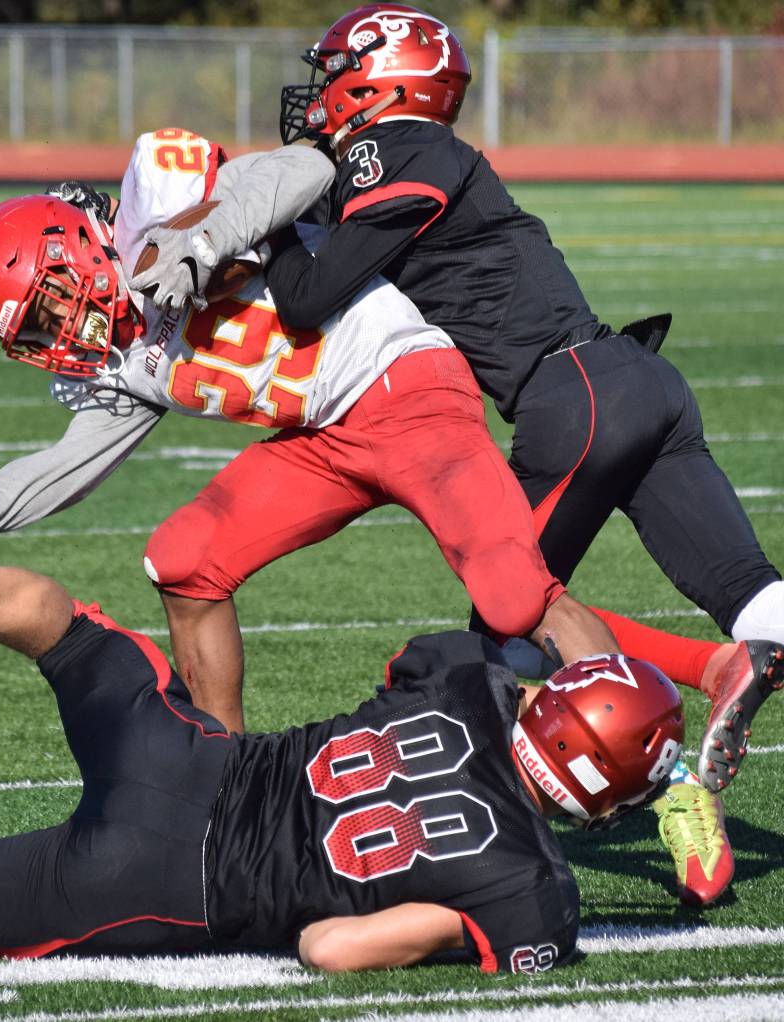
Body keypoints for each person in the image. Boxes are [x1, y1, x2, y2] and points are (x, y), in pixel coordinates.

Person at [192, 3, 784, 801]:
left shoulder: (395, 145)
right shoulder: (422, 153)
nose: (321, 89)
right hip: (644, 382)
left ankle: (661, 786)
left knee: (507, 628)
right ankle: (717, 708)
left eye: (335, 71)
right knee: (754, 594)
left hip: (571, 397)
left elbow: (306, 297)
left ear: (381, 80)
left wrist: (281, 214)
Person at [0, 470, 686, 973]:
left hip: (192, 757)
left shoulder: (464, 676)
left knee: (73, 638)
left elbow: (423, 676)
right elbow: (331, 948)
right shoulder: (530, 894)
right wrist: (454, 922)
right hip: (165, 880)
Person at [0, 130, 620, 738]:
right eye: (39, 332)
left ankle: (667, 770)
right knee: (183, 561)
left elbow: (307, 166)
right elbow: (67, 464)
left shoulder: (155, 214)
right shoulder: (121, 358)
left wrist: (204, 241)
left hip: (404, 388)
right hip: (326, 440)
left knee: (514, 597)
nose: (62, 332)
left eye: (51, 306)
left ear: (73, 246)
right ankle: (223, 782)